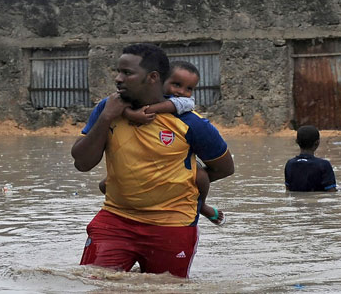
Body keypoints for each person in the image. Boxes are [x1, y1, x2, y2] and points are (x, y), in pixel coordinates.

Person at [72, 43, 234, 278]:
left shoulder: (191, 123)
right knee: (93, 283)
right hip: (115, 219)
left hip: (173, 225)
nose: (118, 78)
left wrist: (180, 181)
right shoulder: (107, 111)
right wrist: (106, 117)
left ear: (152, 77)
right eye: (118, 71)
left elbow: (225, 168)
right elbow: (82, 163)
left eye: (127, 73)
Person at [97, 61, 226, 226]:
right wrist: (132, 115)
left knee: (200, 174)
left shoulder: (185, 105)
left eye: (189, 88)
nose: (181, 92)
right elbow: (119, 104)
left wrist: (149, 111)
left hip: (171, 164)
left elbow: (173, 104)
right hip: (135, 162)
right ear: (159, 80)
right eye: (176, 84)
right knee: (106, 184)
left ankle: (201, 204)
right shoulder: (136, 96)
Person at [284, 125, 338, 192]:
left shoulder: (290, 164)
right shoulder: (324, 165)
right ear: (317, 142)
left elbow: (288, 190)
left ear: (297, 142)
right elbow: (331, 192)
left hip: (297, 202)